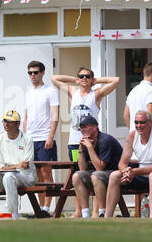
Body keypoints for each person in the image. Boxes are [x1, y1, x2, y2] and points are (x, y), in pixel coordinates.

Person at [51, 67, 120, 217]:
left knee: (96, 172)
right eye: (81, 77)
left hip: (93, 142)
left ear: (92, 79)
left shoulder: (96, 94)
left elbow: (116, 80)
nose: (84, 79)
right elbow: (54, 78)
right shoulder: (73, 92)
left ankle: (96, 210)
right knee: (79, 173)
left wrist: (96, 81)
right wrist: (75, 79)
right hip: (76, 142)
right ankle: (79, 210)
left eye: (87, 76)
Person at [105, 111, 152, 218]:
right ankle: (107, 217)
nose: (138, 126)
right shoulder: (132, 135)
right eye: (136, 122)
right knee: (114, 175)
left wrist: (134, 172)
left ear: (150, 123)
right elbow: (122, 163)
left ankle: (151, 217)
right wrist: (127, 172)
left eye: (142, 122)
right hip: (143, 174)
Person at [0, 110, 37, 220]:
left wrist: (7, 167)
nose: (6, 124)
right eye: (4, 121)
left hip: (26, 176)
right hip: (6, 174)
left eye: (9, 121)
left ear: (18, 124)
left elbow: (26, 166)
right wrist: (16, 165)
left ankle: (14, 214)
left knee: (9, 176)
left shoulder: (27, 139)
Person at [23, 60, 59, 217]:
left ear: (42, 73)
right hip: (30, 138)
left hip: (45, 136)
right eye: (30, 73)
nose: (32, 75)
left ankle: (46, 208)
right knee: (35, 174)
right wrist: (23, 137)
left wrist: (50, 136)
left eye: (35, 72)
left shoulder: (50, 91)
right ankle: (40, 209)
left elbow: (55, 116)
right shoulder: (28, 93)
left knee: (46, 172)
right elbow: (26, 116)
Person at [73, 115, 123, 218]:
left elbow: (100, 167)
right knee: (76, 176)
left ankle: (102, 212)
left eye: (85, 126)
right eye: (81, 127)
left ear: (95, 127)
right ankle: (85, 214)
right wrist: (81, 149)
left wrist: (90, 147)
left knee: (96, 175)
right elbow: (82, 168)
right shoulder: (88, 141)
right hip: (103, 173)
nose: (83, 129)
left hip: (117, 173)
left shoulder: (105, 140)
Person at [123, 62, 152, 131]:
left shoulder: (133, 91)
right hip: (146, 135)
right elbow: (150, 112)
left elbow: (125, 116)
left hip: (134, 134)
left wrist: (133, 130)